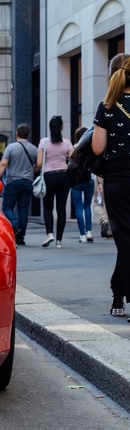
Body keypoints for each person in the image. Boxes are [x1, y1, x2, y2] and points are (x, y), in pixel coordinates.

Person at [92, 52, 130, 319]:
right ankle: (118, 292)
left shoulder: (107, 106)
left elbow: (97, 147)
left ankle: (119, 292)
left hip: (118, 179)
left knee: (125, 238)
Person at [0, 124, 38, 246]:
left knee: (7, 207)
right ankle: (21, 236)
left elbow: (3, 164)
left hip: (13, 181)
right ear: (28, 135)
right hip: (28, 181)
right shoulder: (34, 149)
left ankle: (15, 226)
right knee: (23, 210)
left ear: (17, 134)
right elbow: (38, 165)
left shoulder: (11, 147)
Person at [36, 115, 72, 249]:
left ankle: (49, 233)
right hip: (63, 176)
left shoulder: (43, 142)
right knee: (61, 208)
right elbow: (74, 161)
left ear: (50, 128)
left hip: (48, 176)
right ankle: (59, 241)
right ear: (61, 127)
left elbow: (39, 163)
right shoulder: (67, 143)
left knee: (47, 207)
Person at [69, 126, 95, 243]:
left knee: (78, 207)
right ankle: (89, 232)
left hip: (76, 182)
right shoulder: (92, 148)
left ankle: (82, 235)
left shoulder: (74, 148)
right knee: (87, 206)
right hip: (89, 180)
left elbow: (70, 165)